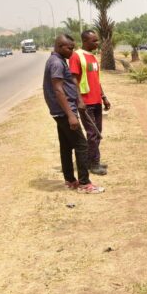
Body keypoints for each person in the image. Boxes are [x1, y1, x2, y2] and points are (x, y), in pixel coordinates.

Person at [43, 34, 104, 194]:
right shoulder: (57, 62)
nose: (72, 51)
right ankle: (85, 183)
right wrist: (70, 114)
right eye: (69, 48)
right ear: (59, 46)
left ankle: (70, 180)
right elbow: (58, 89)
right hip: (64, 111)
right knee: (82, 145)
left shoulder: (57, 60)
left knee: (66, 146)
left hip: (61, 111)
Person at [69, 30, 110, 175]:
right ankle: (94, 164)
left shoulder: (92, 57)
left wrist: (103, 96)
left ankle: (89, 160)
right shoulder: (76, 56)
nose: (97, 43)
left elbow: (96, 80)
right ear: (85, 41)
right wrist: (79, 100)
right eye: (94, 41)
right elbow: (73, 80)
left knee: (97, 133)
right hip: (85, 103)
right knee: (92, 133)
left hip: (96, 100)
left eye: (97, 40)